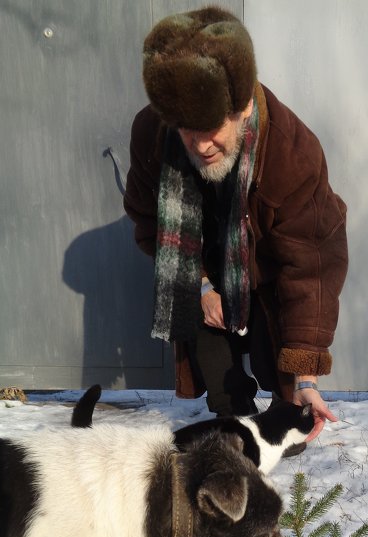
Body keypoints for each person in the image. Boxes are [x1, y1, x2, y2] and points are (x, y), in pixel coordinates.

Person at [123, 5, 348, 443]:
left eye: (211, 128)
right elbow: (148, 220)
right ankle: (235, 415)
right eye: (187, 130)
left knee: (291, 435)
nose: (201, 145)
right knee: (231, 423)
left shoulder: (292, 153)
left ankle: (283, 403)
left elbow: (312, 266)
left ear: (243, 107)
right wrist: (202, 286)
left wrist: (305, 380)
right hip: (202, 271)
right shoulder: (152, 133)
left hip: (268, 280)